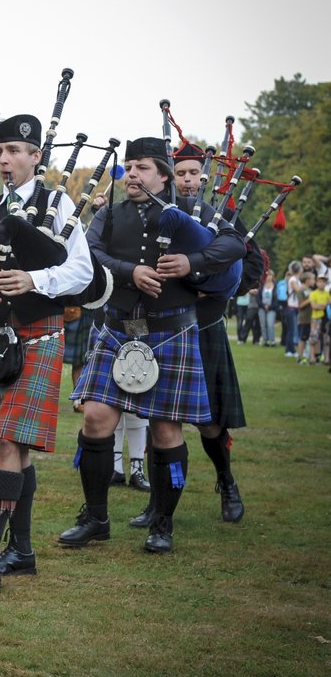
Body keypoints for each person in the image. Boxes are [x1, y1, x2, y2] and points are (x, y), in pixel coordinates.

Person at [60, 137, 245, 554]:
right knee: (94, 418)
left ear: (163, 175)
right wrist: (129, 272)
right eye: (128, 167)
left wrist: (192, 263)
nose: (132, 174)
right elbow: (87, 254)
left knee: (165, 431)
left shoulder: (195, 210)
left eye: (142, 167)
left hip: (172, 331)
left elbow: (234, 244)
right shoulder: (108, 214)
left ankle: (162, 522)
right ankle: (95, 518)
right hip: (117, 327)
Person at [0, 114, 93, 587]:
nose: (5, 160)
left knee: (10, 441)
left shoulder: (59, 205)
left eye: (14, 151)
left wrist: (35, 279)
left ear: (36, 157)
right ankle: (24, 550)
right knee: (17, 446)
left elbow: (83, 272)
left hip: (41, 333)